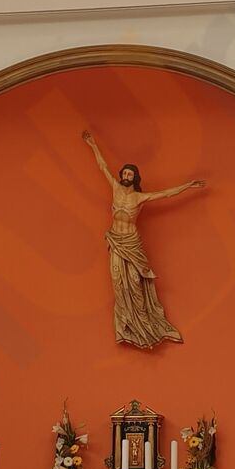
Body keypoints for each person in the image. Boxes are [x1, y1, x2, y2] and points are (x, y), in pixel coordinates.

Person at [83, 129, 204, 350]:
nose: (126, 176)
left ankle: (146, 325)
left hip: (132, 243)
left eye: (130, 175)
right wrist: (92, 145)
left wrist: (187, 186)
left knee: (136, 283)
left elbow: (166, 194)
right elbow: (102, 166)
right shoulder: (115, 188)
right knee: (118, 282)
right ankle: (126, 326)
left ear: (135, 178)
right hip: (116, 242)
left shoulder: (140, 197)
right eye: (125, 173)